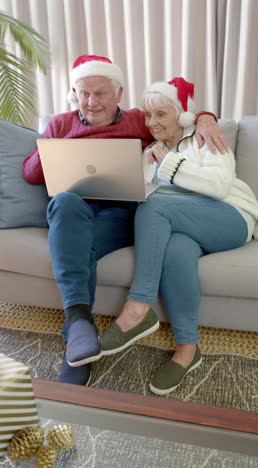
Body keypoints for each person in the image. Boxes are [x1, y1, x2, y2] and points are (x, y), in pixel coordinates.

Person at [23, 55, 229, 386]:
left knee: (78, 246)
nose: (91, 103)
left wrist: (206, 117)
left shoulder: (136, 119)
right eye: (84, 94)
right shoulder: (62, 123)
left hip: (121, 215)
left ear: (118, 93)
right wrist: (56, 145)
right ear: (74, 93)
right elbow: (31, 173)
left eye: (100, 93)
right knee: (64, 203)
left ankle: (76, 339)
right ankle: (79, 325)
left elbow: (180, 119)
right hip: (74, 213)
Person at [99, 77, 258, 396]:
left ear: (181, 114)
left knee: (157, 204)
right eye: (149, 116)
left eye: (161, 114)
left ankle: (137, 307)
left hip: (229, 218)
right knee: (174, 251)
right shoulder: (150, 152)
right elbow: (148, 203)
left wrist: (168, 163)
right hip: (185, 228)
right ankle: (188, 350)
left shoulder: (205, 137)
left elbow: (218, 187)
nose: (152, 122)